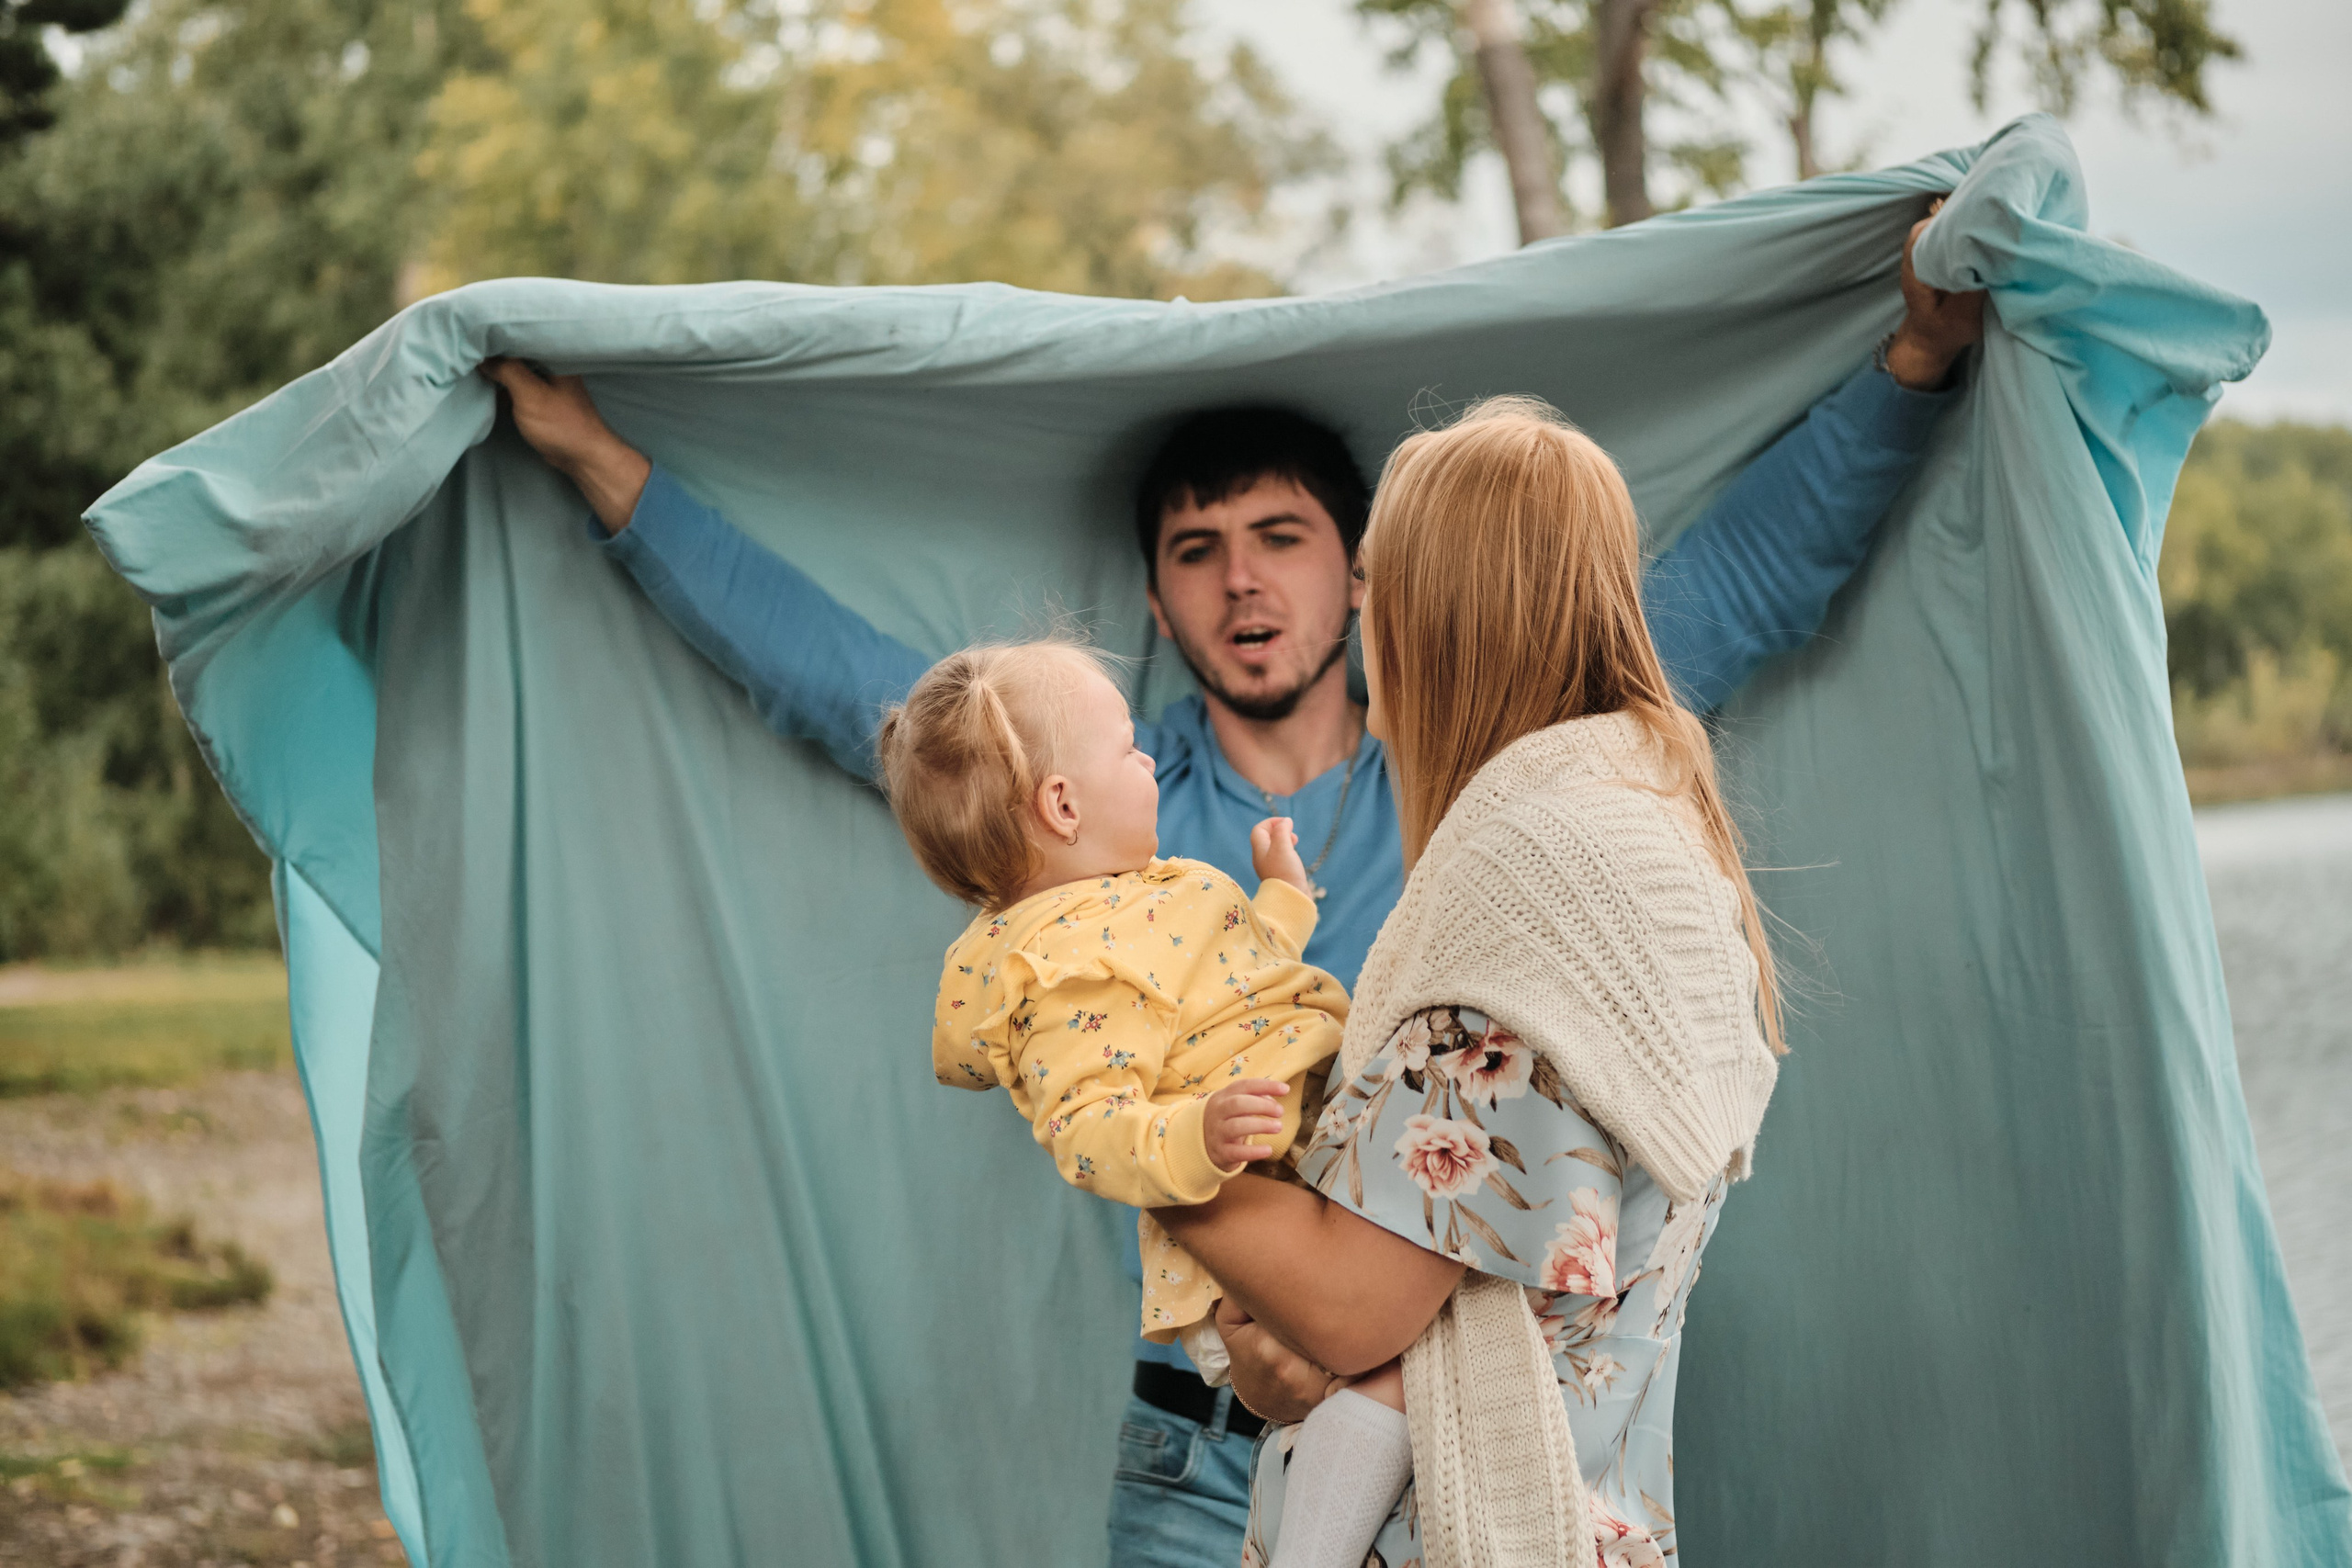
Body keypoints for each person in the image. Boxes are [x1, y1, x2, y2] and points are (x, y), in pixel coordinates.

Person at [482, 212, 1984, 1566]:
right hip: (1198, 1437)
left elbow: (1712, 592)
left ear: (1367, 578)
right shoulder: (1104, 826)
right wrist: (600, 461)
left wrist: (1914, 359)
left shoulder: (1507, 786)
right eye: (1197, 551)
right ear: (1157, 598)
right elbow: (855, 689)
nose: (1243, 581)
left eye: (1280, 539)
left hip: (1443, 1411)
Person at [1157, 393, 1784, 1566]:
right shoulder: (1651, 844)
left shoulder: (1523, 903)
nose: (1364, 624)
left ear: (1431, 616)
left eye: (1375, 587)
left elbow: (1352, 1311)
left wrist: (1141, 1145)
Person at [878, 638, 1409, 1567]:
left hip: (1310, 1158)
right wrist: (1194, 1134)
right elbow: (1085, 1131)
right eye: (1128, 748)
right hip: (1256, 1229)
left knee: (1386, 1371)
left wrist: (1283, 895)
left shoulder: (1140, 901)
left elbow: (1239, 976)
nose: (1151, 759)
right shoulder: (1065, 970)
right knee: (1382, 1379)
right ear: (1063, 805)